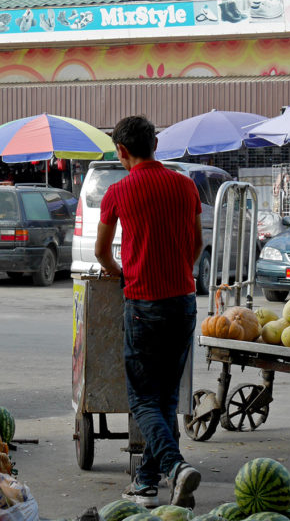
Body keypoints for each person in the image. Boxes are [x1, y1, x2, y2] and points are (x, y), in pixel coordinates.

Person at [94, 116, 203, 508]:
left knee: (143, 400)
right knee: (167, 398)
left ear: (122, 151)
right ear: (156, 142)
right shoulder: (186, 186)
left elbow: (101, 253)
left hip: (143, 305)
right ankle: (145, 481)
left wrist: (121, 274)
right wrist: (178, 272)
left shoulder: (118, 192)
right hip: (183, 302)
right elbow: (197, 244)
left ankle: (175, 468)